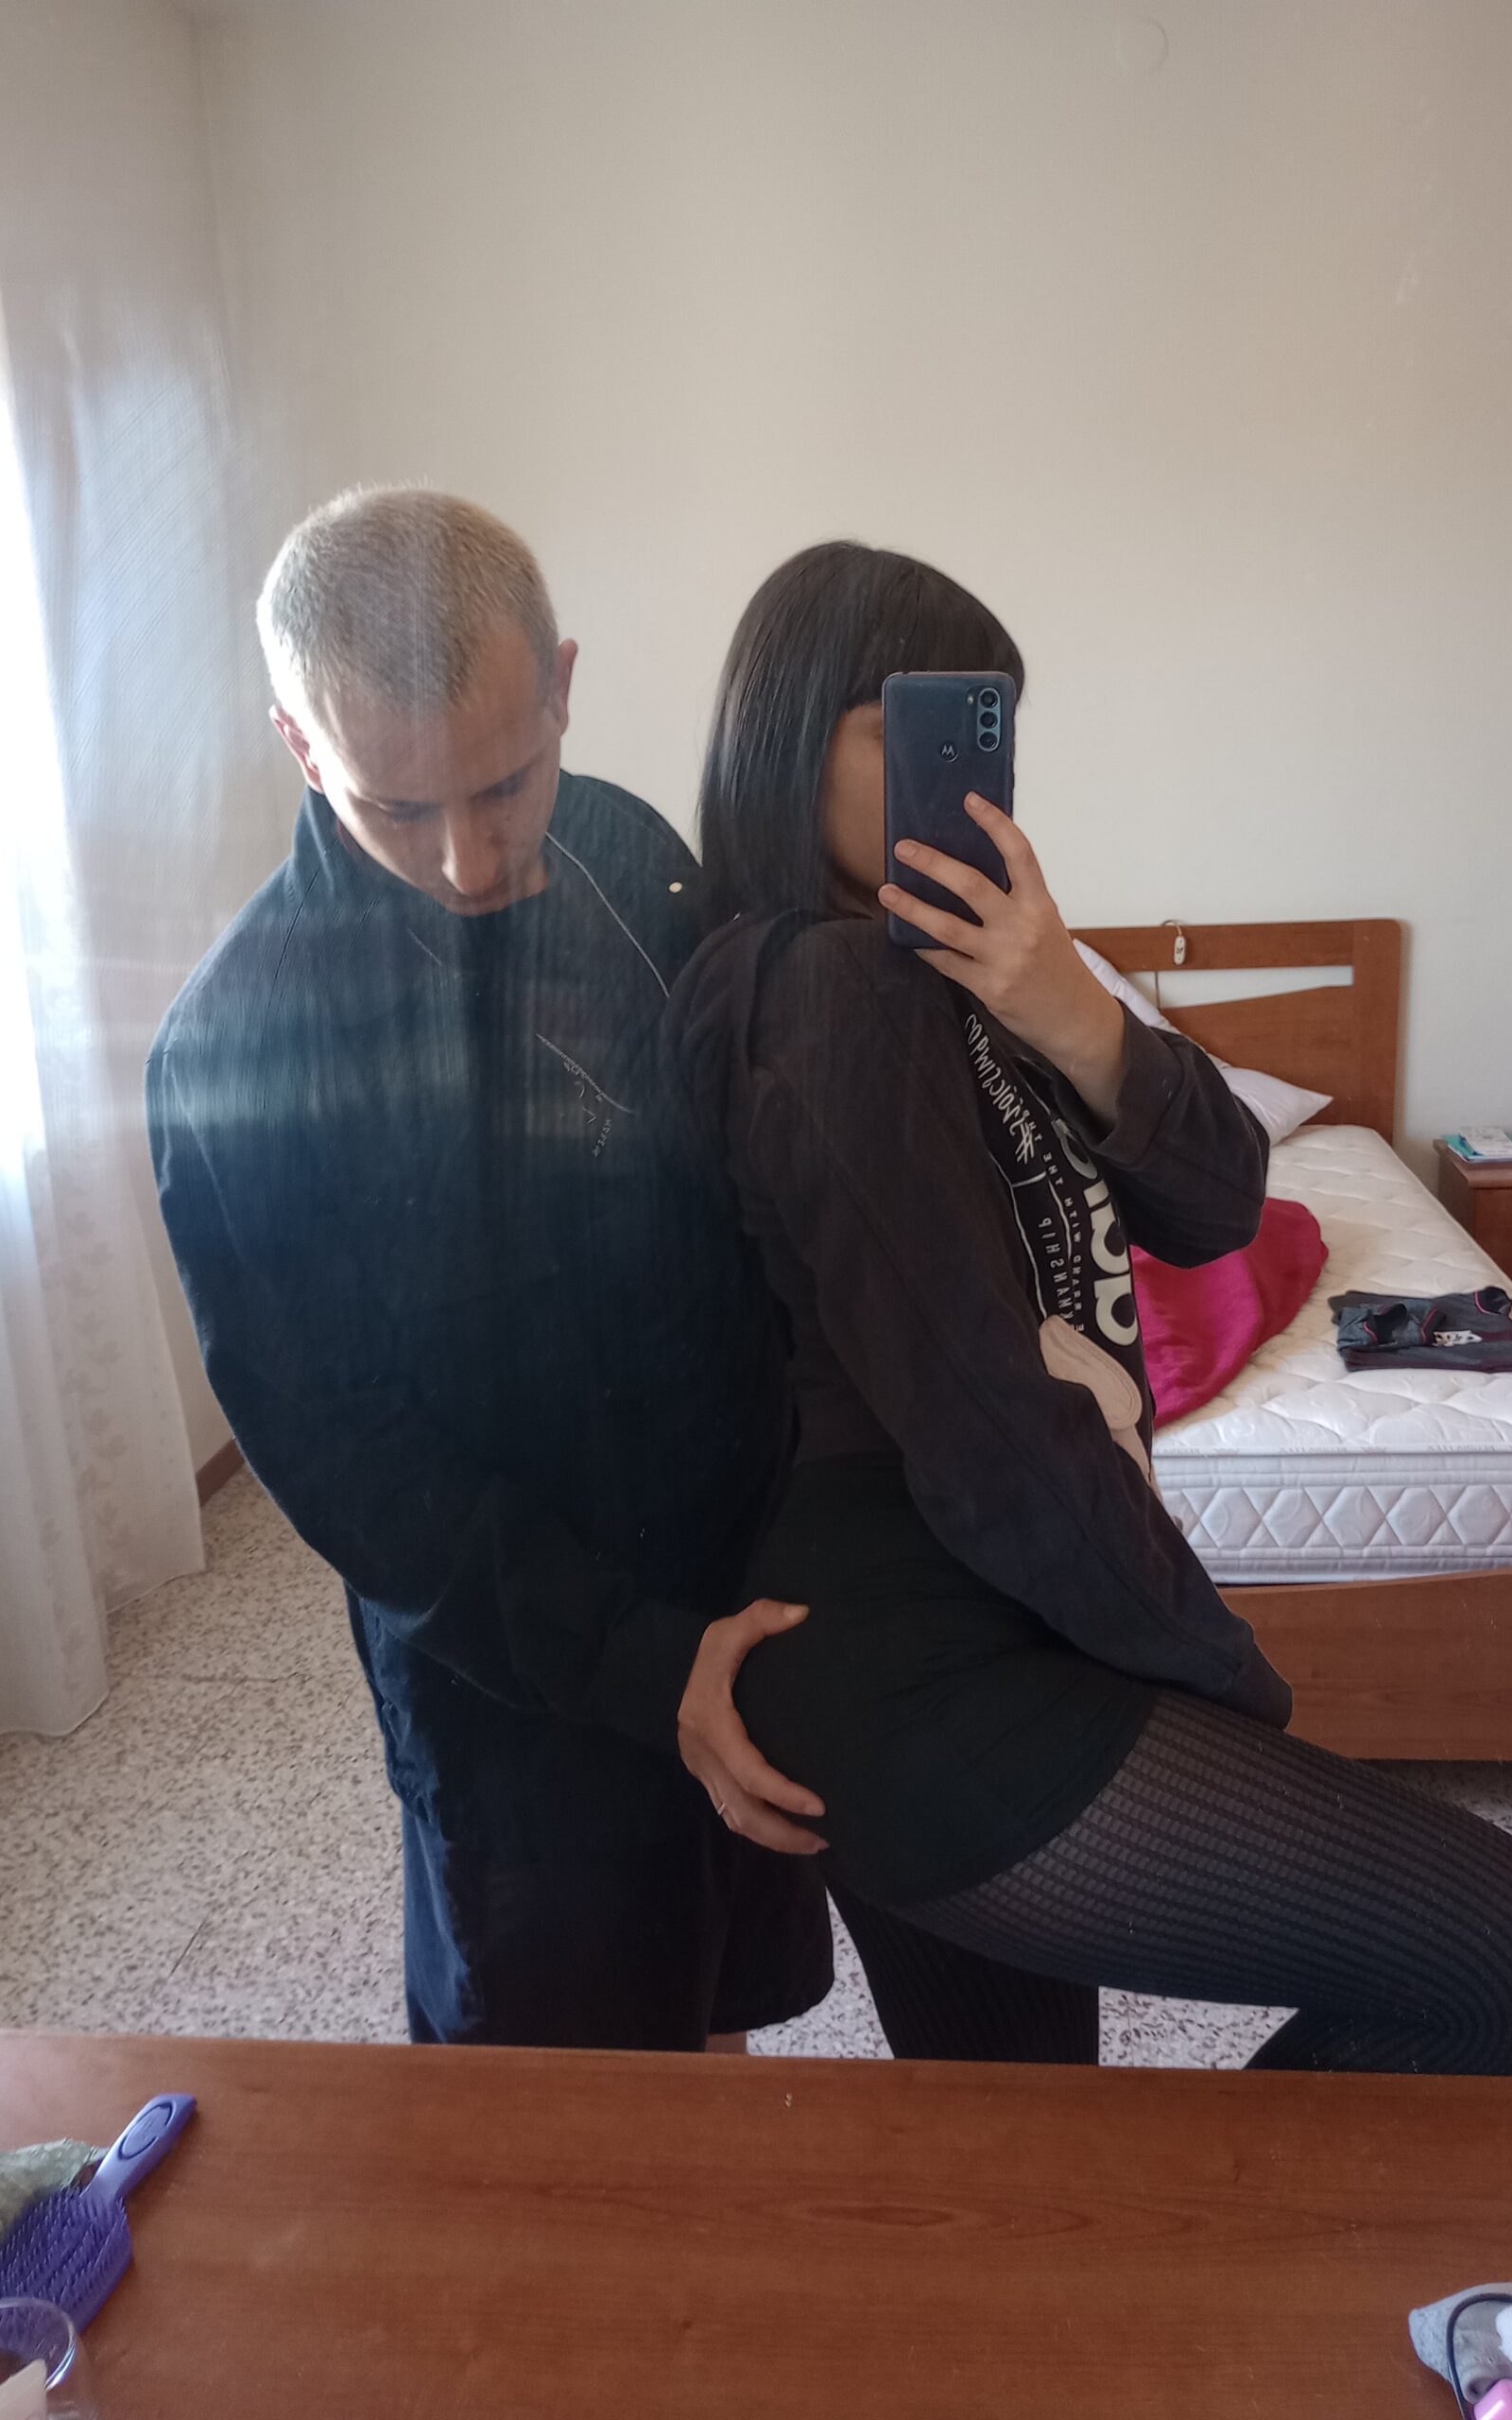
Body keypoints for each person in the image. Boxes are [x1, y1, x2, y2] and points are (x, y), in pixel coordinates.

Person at [148, 488, 1105, 2065]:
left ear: (564, 689)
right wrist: (648, 1667)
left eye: (505, 784)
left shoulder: (632, 856)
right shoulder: (235, 1055)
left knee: (722, 2002)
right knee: (573, 2093)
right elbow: (353, 1470)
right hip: (521, 1669)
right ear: (300, 746)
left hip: (743, 1569)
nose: (468, 858)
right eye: (397, 809)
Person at [670, 540, 1512, 2073]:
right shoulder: (829, 994)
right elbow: (986, 1416)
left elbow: (1218, 1207)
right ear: (790, 736)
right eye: (908, 729)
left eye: (988, 732)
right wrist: (1207, 1667)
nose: (963, 785)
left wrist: (1074, 1006)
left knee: (1018, 2125)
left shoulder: (959, 986)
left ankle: (1113, 2245)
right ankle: (1210, 2242)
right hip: (921, 1665)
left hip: (944, 1638)